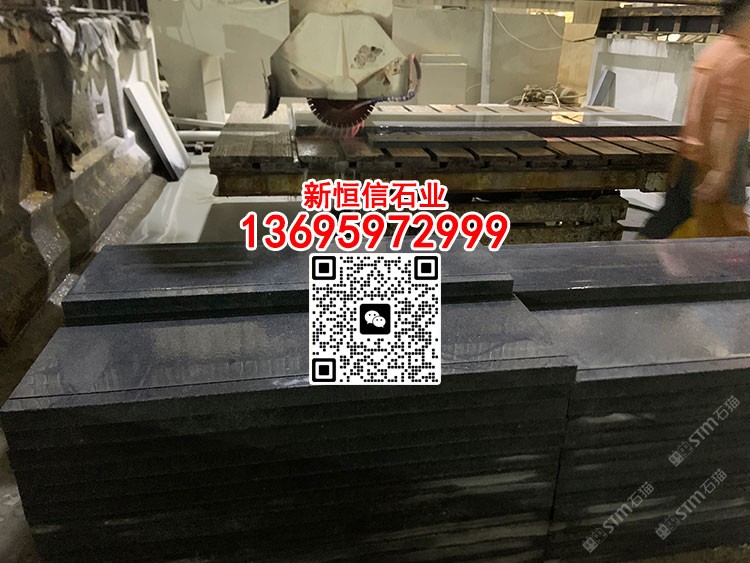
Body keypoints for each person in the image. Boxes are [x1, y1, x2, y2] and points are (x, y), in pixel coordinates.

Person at [640, 0, 750, 238]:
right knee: (726, 236)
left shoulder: (714, 51)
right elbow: (726, 122)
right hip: (714, 163)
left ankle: (638, 255)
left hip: (689, 158)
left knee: (671, 221)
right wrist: (721, 170)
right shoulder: (741, 60)